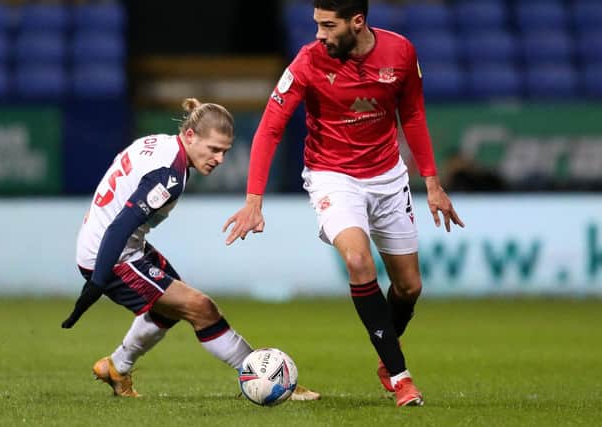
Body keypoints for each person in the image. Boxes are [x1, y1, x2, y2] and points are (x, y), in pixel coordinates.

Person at [223, 0, 464, 407]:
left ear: (357, 21)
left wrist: (432, 183)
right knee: (356, 260)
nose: (319, 34)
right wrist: (253, 200)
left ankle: (386, 359)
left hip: (388, 177)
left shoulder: (400, 52)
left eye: (328, 25)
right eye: (316, 24)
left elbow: (414, 115)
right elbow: (269, 128)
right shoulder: (308, 62)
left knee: (409, 287)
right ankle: (401, 376)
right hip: (332, 175)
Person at [61, 98, 319, 401]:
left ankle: (116, 367)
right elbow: (119, 227)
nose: (220, 159)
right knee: (201, 308)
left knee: (168, 312)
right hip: (112, 254)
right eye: (214, 149)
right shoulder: (168, 176)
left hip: (121, 246)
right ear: (191, 136)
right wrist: (97, 282)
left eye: (225, 151)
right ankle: (266, 377)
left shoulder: (158, 143)